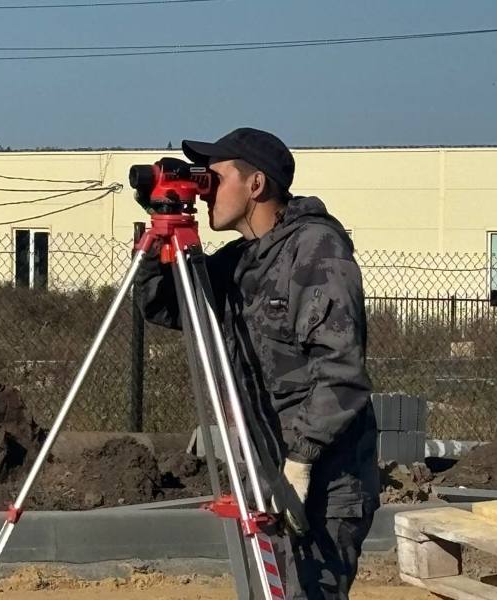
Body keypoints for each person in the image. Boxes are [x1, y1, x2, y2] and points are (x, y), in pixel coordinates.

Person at [136, 127, 379, 599]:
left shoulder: (315, 249)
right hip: (265, 466)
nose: (205, 190)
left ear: (256, 184)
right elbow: (168, 305)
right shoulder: (241, 261)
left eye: (216, 177)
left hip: (323, 479)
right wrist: (161, 226)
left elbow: (342, 370)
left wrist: (302, 459)